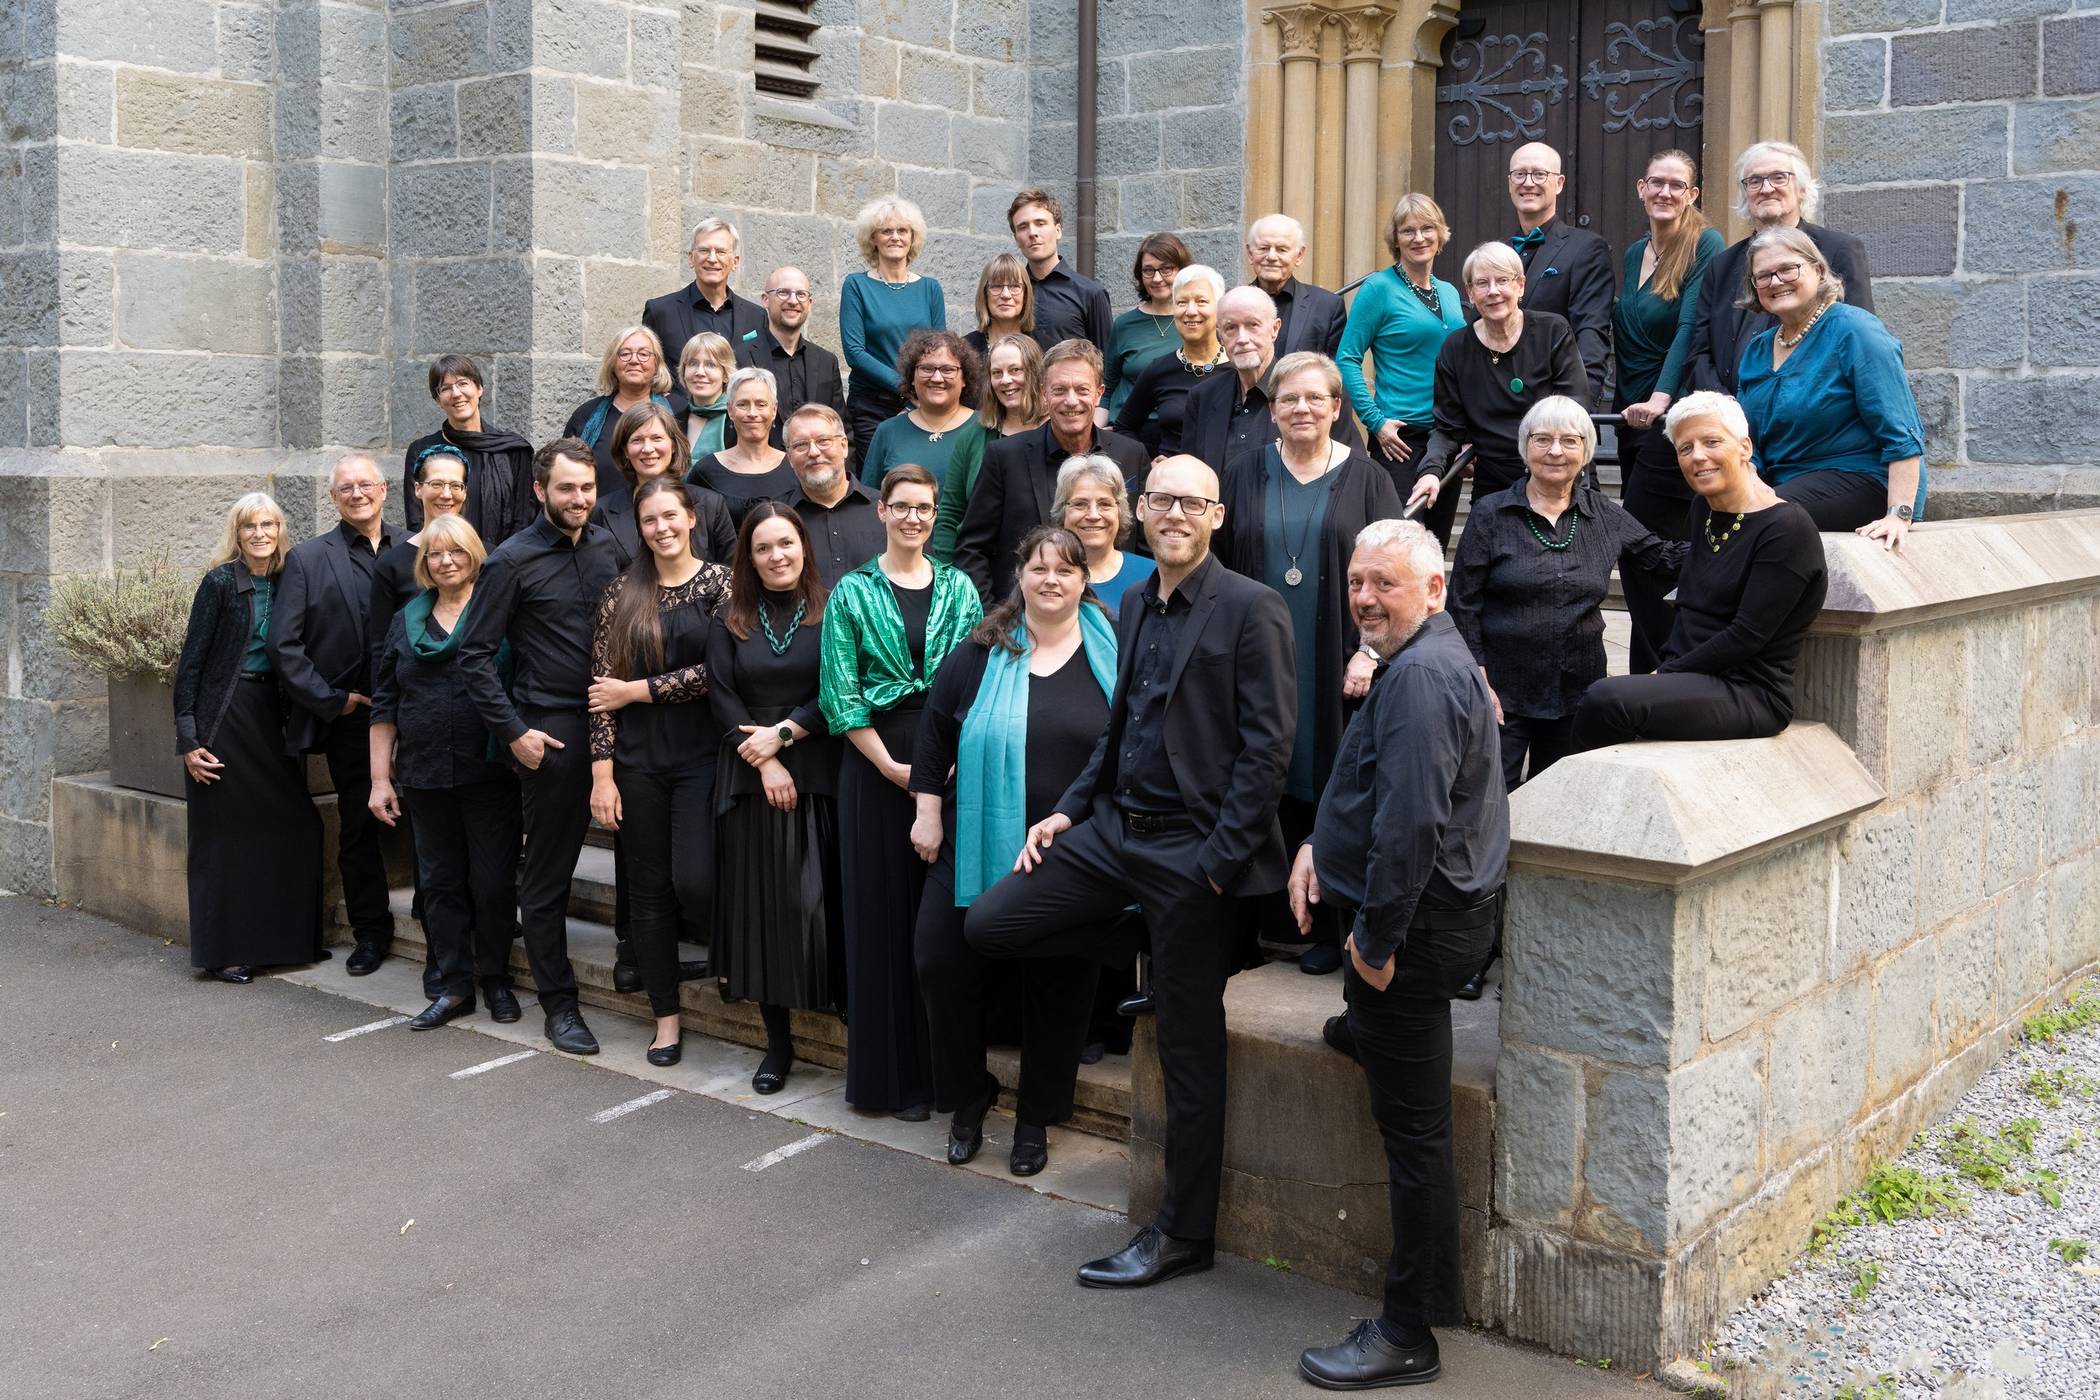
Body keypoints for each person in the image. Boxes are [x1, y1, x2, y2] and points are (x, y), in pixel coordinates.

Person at [964, 454, 1296, 1289]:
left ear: (1216, 515)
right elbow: (1119, 733)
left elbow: (1268, 752)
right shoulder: (1137, 599)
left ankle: (1181, 1234)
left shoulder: (1254, 609)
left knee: (1189, 1051)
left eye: (1191, 501)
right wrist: (1070, 809)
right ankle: (1132, 942)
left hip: (1194, 854)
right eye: (1162, 500)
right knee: (991, 921)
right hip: (1115, 830)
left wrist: (1216, 868)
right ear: (1140, 512)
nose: (1174, 513)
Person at [1289, 519, 1509, 1392]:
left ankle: (1409, 1327)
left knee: (1415, 1136)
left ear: (1433, 588)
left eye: (1385, 583)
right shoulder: (1422, 656)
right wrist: (1319, 843)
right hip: (1410, 918)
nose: (1366, 599)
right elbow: (1374, 787)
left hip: (1412, 934)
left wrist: (1376, 943)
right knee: (1366, 1018)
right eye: (1356, 582)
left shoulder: (1421, 677)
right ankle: (1363, 1020)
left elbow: (1411, 826)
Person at [911, 526, 1115, 1177]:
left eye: (1065, 569)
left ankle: (1035, 1120)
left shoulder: (1117, 652)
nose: (1051, 580)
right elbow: (935, 733)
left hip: (1075, 854)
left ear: (1085, 579)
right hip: (975, 837)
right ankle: (971, 1097)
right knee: (940, 960)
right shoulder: (981, 650)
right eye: (1039, 568)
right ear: (1019, 576)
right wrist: (927, 811)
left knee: (1056, 987)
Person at [1214, 353, 1401, 976]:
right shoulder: (1242, 472)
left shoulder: (1369, 478)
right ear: (1272, 410)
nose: (1302, 409)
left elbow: (1395, 577)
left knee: (1334, 784)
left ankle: (1329, 921)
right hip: (1253, 657)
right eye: (1289, 399)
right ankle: (1261, 919)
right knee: (1258, 773)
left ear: (1337, 408)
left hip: (1338, 660)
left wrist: (1371, 650)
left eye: (1315, 399)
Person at [456, 438, 632, 1056]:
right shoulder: (511, 560)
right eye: (566, 489)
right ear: (539, 490)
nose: (579, 499)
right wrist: (515, 734)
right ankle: (560, 1006)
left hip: (621, 725)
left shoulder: (613, 546)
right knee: (549, 878)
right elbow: (473, 657)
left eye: (586, 488)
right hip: (551, 733)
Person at [819, 465, 984, 1118]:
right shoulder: (851, 592)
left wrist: (943, 766)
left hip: (949, 762)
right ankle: (890, 1082)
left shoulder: (961, 588)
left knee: (939, 931)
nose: (913, 518)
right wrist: (893, 768)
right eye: (902, 507)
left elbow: (978, 679)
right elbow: (840, 692)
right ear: (881, 511)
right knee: (881, 922)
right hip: (874, 764)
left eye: (925, 508)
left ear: (935, 515)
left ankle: (947, 1078)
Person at [1449, 395, 1686, 787]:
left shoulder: (1604, 514)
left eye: (1569, 440)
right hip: (1501, 697)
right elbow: (1463, 603)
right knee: (1486, 802)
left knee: (1559, 802)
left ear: (1587, 451)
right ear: (1526, 447)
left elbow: (1663, 559)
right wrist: (1477, 679)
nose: (1555, 451)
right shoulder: (1490, 514)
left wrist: (1738, 533)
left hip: (1577, 694)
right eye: (1542, 439)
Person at [1572, 392, 1829, 749]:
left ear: (1744, 447)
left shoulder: (1786, 527)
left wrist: (1664, 674)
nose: (1698, 457)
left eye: (1711, 442)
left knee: (1606, 699)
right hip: (1691, 676)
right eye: (1685, 448)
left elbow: (1747, 636)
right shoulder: (1704, 510)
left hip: (1749, 692)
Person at [588, 476, 733, 1067]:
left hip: (702, 758)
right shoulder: (620, 594)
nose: (662, 528)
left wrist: (638, 690)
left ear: (692, 517)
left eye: (671, 516)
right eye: (650, 520)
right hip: (637, 765)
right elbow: (600, 694)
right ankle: (666, 1019)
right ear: (640, 528)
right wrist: (601, 775)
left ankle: (729, 958)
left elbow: (716, 672)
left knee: (695, 880)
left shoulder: (723, 584)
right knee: (645, 896)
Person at [367, 514, 523, 1030]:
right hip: (426, 773)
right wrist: (380, 780)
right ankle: (455, 986)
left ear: (475, 554)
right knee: (439, 883)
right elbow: (384, 704)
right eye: (436, 553)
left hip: (491, 772)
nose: (447, 560)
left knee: (494, 881)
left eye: (456, 550)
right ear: (424, 564)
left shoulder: (501, 612)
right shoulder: (406, 619)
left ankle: (496, 978)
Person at [709, 502, 844, 1096]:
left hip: (822, 768)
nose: (777, 556)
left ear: (803, 546)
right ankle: (778, 1043)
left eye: (785, 543)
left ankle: (846, 1014)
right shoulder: (731, 616)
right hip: (750, 776)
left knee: (822, 903)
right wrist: (765, 761)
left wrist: (785, 737)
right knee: (762, 912)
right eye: (763, 548)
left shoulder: (834, 607)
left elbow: (843, 688)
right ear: (749, 556)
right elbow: (720, 695)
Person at [175, 493, 322, 984]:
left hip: (271, 715)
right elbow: (190, 664)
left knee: (297, 826)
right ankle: (227, 954)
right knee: (227, 839)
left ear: (281, 530)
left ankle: (289, 942)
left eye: (268, 525)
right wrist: (188, 739)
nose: (259, 534)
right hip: (226, 714)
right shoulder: (219, 582)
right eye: (249, 527)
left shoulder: (288, 580)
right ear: (236, 534)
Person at [269, 455, 396, 977]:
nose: (357, 493)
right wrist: (332, 699)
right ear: (333, 498)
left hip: (422, 709)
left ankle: (441, 919)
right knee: (359, 823)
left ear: (384, 490)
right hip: (354, 716)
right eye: (346, 487)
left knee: (436, 821)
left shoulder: (417, 545)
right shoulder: (307, 558)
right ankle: (372, 930)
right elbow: (284, 644)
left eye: (366, 484)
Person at [1736, 226, 1925, 540]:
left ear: (1818, 270)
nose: (1776, 281)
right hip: (1784, 482)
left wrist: (1899, 515)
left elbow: (1900, 429)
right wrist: (1747, 483)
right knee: (1710, 507)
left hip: (1862, 480)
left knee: (1759, 516)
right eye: (1764, 276)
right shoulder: (1758, 349)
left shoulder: (1854, 330)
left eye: (1787, 269)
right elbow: (1747, 439)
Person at [1614, 148, 1727, 672]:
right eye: (1655, 182)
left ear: (1692, 194)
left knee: (1642, 543)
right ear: (1640, 187)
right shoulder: (1635, 250)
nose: (1664, 192)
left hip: (1671, 417)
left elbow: (1689, 327)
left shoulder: (1705, 243)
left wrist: (1663, 400)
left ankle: (1671, 663)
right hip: (1630, 419)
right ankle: (1647, 669)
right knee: (1647, 551)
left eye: (1675, 185)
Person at [952, 339, 1149, 602]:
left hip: (1116, 614)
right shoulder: (1004, 457)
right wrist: (995, 619)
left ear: (1099, 393)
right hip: (1023, 620)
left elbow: (1145, 545)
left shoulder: (1131, 455)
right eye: (1059, 390)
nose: (1071, 401)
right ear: (1044, 393)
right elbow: (972, 548)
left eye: (1082, 389)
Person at [1406, 243, 1588, 521]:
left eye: (1502, 280)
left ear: (1521, 286)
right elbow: (1447, 428)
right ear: (1470, 292)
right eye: (1482, 283)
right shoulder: (1456, 348)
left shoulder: (1553, 331)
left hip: (1555, 479)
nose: (1493, 291)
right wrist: (1431, 471)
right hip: (1494, 486)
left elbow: (1573, 410)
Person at [1689, 141, 1874, 397]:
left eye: (1779, 177)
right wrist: (1727, 408)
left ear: (1801, 189)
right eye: (1754, 181)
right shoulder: (1722, 265)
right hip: (1730, 423)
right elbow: (1699, 352)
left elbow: (1860, 340)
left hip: (1808, 413)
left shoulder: (1838, 250)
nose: (1766, 188)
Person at [1338, 194, 1468, 546]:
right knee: (1397, 548)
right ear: (1395, 239)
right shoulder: (1379, 288)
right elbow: (1346, 357)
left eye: (1427, 228)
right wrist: (1375, 422)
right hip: (1401, 443)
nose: (1419, 237)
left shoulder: (1450, 292)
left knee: (1434, 546)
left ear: (1440, 234)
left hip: (1446, 441)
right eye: (1408, 230)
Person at [1180, 285, 1361, 478]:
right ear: (1220, 336)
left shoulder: (1317, 395)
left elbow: (1351, 474)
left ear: (1275, 329)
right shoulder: (1203, 397)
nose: (1242, 339)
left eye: (1253, 325)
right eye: (1231, 328)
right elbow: (1192, 476)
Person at [1503, 140, 1614, 404]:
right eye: (1519, 174)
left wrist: (1577, 408)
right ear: (1510, 183)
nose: (1528, 182)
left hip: (1553, 408)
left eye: (1540, 174)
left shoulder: (1586, 248)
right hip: (1495, 411)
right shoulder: (1499, 253)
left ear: (1560, 183)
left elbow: (1591, 331)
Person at [841, 197, 946, 456]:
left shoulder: (930, 288)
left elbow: (938, 349)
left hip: (919, 405)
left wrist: (917, 396)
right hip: (871, 407)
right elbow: (855, 352)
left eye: (903, 231)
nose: (895, 237)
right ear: (873, 239)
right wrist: (906, 386)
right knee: (875, 485)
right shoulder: (856, 285)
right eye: (886, 231)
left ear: (913, 238)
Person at [931, 332, 1045, 563]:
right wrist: (945, 572)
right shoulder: (974, 436)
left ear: (1034, 372)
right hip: (982, 571)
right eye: (996, 373)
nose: (1005, 380)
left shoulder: (1057, 432)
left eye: (1015, 370)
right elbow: (951, 514)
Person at [400, 353, 533, 546]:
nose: (456, 393)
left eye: (463, 383)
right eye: (445, 388)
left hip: (503, 565)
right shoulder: (423, 450)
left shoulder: (513, 450)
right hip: (442, 563)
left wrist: (500, 564)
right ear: (438, 400)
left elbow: (523, 520)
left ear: (479, 388)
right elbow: (417, 520)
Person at [595, 401, 737, 563]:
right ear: (625, 450)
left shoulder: (711, 505)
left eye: (656, 438)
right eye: (637, 440)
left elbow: (732, 573)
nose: (647, 449)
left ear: (674, 445)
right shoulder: (602, 512)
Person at [1112, 264, 1228, 459]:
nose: (1190, 311)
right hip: (1173, 485)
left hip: (1227, 484)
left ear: (1219, 307)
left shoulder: (1238, 369)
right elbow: (1124, 428)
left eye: (1201, 301)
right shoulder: (1160, 369)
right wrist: (1147, 467)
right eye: (1181, 302)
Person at [858, 329, 988, 491]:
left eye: (948, 370)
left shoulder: (986, 428)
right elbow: (870, 500)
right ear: (912, 376)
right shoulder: (888, 431)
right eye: (927, 369)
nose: (937, 378)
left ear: (964, 378)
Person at [735, 265, 847, 450]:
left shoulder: (827, 362)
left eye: (800, 294)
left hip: (815, 470)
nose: (793, 301)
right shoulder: (740, 357)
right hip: (761, 472)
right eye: (783, 293)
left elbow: (841, 429)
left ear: (809, 303)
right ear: (765, 300)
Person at [564, 325, 674, 505]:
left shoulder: (676, 411)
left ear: (656, 364)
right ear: (612, 363)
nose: (634, 360)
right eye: (624, 354)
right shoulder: (586, 415)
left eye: (644, 354)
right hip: (598, 524)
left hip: (661, 522)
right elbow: (565, 472)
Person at [784, 404, 887, 588]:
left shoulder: (887, 512)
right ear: (790, 458)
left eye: (823, 441)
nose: (814, 452)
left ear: (844, 446)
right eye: (801, 445)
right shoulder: (777, 519)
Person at [689, 366, 799, 526]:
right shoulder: (705, 472)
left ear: (774, 410)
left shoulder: (796, 466)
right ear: (730, 410)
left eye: (761, 404)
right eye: (743, 404)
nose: (752, 413)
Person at [643, 215, 766, 356]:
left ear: (735, 262)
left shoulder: (756, 317)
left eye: (721, 252)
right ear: (691, 259)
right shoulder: (660, 312)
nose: (712, 259)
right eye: (704, 251)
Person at [1009, 189, 1112, 351]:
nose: (1032, 233)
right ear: (1016, 239)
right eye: (1023, 227)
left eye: (1040, 223)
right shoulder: (1010, 294)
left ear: (1058, 231)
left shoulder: (1091, 293)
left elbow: (1107, 364)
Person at [1104, 233, 1191, 418]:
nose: (1157, 278)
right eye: (1149, 270)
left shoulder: (1195, 321)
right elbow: (1107, 389)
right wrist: (1098, 435)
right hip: (1127, 431)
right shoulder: (1124, 325)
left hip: (1179, 431)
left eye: (1166, 269)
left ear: (1182, 271)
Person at [1057, 453, 1154, 609]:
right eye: (1080, 504)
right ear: (1062, 511)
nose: (1093, 515)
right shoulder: (1043, 577)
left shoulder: (1152, 575)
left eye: (1104, 504)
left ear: (1120, 511)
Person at [1246, 214, 1347, 358]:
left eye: (1282, 249)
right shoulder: (1229, 304)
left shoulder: (1327, 306)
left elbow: (1335, 372)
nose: (1272, 257)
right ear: (1250, 254)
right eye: (1263, 248)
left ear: (1299, 255)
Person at [672, 330, 737, 462]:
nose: (700, 372)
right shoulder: (672, 422)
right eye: (693, 363)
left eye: (710, 365)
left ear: (725, 374)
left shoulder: (738, 421)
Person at [962, 252, 1036, 369]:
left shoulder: (1041, 344)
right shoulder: (965, 348)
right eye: (996, 286)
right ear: (985, 294)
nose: (1006, 295)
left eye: (1014, 286)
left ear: (1026, 295)